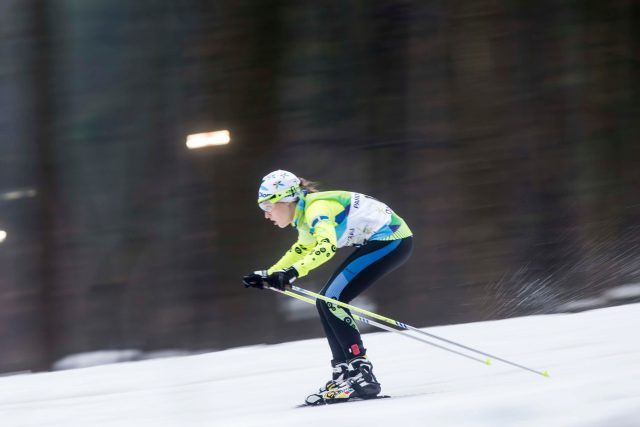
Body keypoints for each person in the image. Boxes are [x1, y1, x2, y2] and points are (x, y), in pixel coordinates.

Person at [242, 170, 413, 405]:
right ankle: (345, 372)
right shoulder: (303, 214)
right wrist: (270, 274)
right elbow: (301, 250)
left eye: (267, 206)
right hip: (385, 241)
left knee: (331, 300)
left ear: (286, 200)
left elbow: (326, 247)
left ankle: (361, 374)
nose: (266, 214)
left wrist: (292, 273)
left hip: (390, 240)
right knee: (325, 302)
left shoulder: (316, 209)